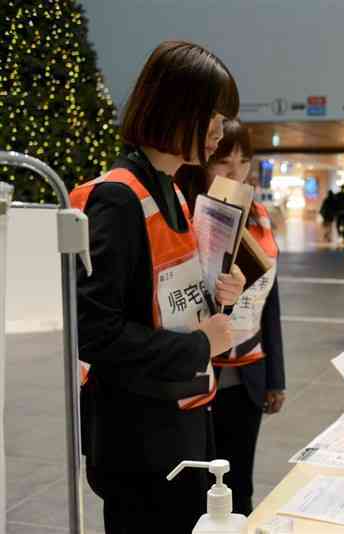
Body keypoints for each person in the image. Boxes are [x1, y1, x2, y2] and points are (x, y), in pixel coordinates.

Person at [72, 41, 247, 533]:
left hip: (181, 419)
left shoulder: (169, 190)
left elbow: (160, 298)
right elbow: (95, 331)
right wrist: (198, 345)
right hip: (139, 444)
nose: (219, 129)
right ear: (175, 107)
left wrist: (216, 294)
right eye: (211, 114)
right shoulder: (118, 198)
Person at [175, 118, 286, 515]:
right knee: (202, 482)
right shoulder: (189, 216)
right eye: (224, 163)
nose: (236, 172)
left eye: (244, 161)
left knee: (241, 480)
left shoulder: (260, 217)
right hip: (200, 369)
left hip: (250, 369)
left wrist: (277, 377)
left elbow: (270, 301)